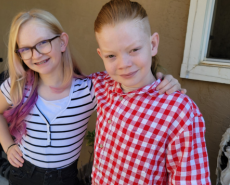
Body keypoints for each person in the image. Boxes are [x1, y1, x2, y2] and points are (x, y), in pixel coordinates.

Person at [0, 9, 182, 185]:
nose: (35, 54)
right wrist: (8, 146)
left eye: (43, 43)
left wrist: (162, 78)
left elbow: (130, 78)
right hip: (23, 174)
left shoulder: (90, 89)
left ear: (62, 42)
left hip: (65, 177)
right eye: (25, 49)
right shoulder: (18, 87)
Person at [89, 0, 211, 184]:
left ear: (153, 44)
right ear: (101, 55)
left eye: (134, 49)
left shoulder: (179, 111)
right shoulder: (102, 85)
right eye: (111, 56)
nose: (124, 64)